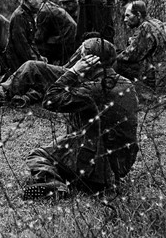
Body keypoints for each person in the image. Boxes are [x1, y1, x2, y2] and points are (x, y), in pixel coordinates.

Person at [21, 37, 139, 200]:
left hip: (97, 168)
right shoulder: (126, 84)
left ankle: (53, 182)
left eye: (81, 56)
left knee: (38, 155)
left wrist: (74, 72)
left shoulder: (95, 89)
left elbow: (50, 100)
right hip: (120, 164)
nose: (77, 60)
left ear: (90, 61)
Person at [115, 1, 166, 98]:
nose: (125, 19)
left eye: (128, 15)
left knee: (119, 63)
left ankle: (127, 94)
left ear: (138, 15)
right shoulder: (156, 22)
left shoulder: (146, 27)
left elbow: (131, 56)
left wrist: (113, 55)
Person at [3, 0, 45, 76]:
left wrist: (39, 57)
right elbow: (21, 45)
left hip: (24, 61)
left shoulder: (28, 14)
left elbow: (31, 41)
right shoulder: (20, 16)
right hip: (18, 62)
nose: (41, 1)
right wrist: (35, 62)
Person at [35, 0, 77, 65]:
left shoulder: (44, 11)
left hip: (66, 41)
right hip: (71, 38)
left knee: (38, 47)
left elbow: (40, 37)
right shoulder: (50, 6)